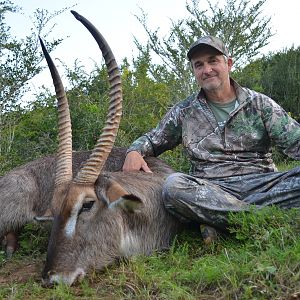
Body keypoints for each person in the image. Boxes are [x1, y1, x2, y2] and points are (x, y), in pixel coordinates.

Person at [122, 35, 300, 244]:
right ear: (195, 72)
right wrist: (134, 150)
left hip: (262, 184)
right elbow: (153, 139)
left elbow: (296, 141)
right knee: (173, 187)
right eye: (199, 65)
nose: (206, 69)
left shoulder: (260, 104)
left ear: (228, 63)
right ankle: (266, 219)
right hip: (210, 189)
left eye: (213, 61)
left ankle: (218, 221)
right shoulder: (184, 111)